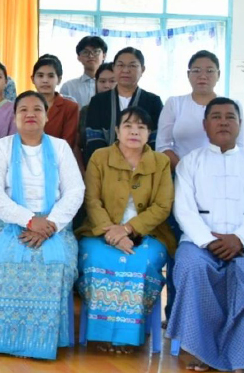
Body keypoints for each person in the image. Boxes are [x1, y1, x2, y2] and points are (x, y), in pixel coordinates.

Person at [168, 98, 244, 372]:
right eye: (216, 117)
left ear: (240, 124)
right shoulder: (190, 163)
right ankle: (202, 351)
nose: (223, 122)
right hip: (199, 244)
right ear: (205, 125)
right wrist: (209, 241)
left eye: (230, 117)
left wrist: (240, 239)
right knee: (191, 267)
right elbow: (183, 209)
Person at [0, 91, 85, 360]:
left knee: (59, 262)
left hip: (54, 223)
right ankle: (5, 339)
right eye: (23, 109)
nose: (30, 114)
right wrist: (28, 220)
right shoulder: (1, 147)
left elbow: (75, 191)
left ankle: (45, 340)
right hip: (9, 222)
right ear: (14, 117)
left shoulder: (60, 147)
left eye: (37, 109)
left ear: (46, 116)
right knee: (8, 261)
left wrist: (50, 224)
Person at [76, 107, 174, 354]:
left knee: (140, 263)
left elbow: (163, 206)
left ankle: (128, 336)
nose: (134, 131)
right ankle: (102, 335)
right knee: (98, 260)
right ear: (117, 131)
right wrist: (113, 234)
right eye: (128, 126)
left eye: (141, 127)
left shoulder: (160, 162)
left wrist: (128, 229)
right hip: (100, 232)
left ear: (149, 133)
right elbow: (91, 201)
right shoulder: (100, 157)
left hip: (149, 234)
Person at [157, 50, 244, 171]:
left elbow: (240, 146)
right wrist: (185, 171)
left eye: (209, 71)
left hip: (222, 172)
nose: (203, 76)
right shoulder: (174, 103)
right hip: (180, 172)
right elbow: (162, 146)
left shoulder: (232, 106)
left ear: (218, 75)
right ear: (188, 74)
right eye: (196, 70)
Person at [84, 47, 163, 162]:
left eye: (132, 66)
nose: (126, 70)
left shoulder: (153, 101)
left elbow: (155, 140)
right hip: (104, 166)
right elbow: (94, 139)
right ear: (113, 68)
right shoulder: (98, 101)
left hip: (142, 166)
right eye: (120, 65)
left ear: (142, 69)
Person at [33, 55, 80, 152]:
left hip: (58, 157)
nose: (45, 80)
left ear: (59, 79)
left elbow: (68, 143)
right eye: (40, 76)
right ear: (33, 79)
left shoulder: (70, 107)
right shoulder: (23, 105)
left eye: (51, 76)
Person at [78, 63, 116, 165]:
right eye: (102, 81)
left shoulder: (127, 110)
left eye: (112, 81)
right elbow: (80, 143)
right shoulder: (86, 111)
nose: (107, 85)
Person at [60, 36, 108, 108]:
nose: (91, 56)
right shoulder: (68, 87)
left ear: (104, 56)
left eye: (95, 51)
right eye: (85, 52)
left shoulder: (112, 85)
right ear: (79, 57)